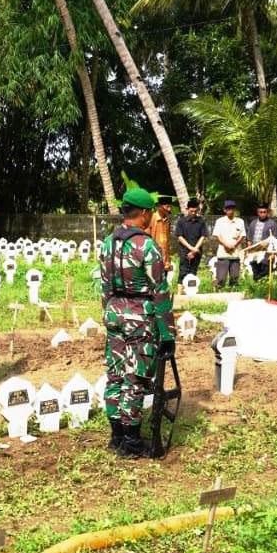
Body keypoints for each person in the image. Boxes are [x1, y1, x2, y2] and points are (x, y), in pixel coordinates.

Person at [100, 188, 174, 459]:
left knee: (115, 374)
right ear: (143, 213)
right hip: (138, 317)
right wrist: (167, 332)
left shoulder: (108, 242)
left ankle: (116, 434)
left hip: (114, 313)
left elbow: (105, 286)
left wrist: (109, 313)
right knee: (135, 376)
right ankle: (131, 441)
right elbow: (160, 292)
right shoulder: (147, 246)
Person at [212, 200, 246, 288]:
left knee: (234, 279)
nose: (230, 210)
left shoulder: (240, 221)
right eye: (228, 209)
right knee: (221, 279)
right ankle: (218, 296)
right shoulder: (219, 221)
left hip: (235, 254)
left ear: (234, 210)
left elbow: (242, 236)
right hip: (223, 253)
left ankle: (233, 295)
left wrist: (234, 246)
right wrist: (226, 245)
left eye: (232, 208)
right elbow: (217, 236)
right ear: (224, 210)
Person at [174, 198, 207, 284]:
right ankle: (180, 294)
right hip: (184, 251)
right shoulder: (181, 221)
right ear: (187, 209)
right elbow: (180, 237)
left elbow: (203, 236)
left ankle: (190, 293)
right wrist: (191, 248)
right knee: (183, 272)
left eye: (195, 211)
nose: (193, 213)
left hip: (197, 251)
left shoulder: (201, 221)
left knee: (193, 272)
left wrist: (195, 249)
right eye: (191, 211)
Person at [248, 203, 277, 280]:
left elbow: (275, 240)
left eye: (264, 212)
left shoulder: (272, 224)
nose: (262, 214)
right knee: (255, 272)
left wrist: (273, 254)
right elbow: (249, 239)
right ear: (257, 212)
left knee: (265, 271)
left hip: (266, 253)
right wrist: (248, 250)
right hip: (254, 253)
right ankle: (257, 288)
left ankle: (264, 288)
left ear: (267, 212)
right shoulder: (253, 223)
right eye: (260, 212)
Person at [149, 193, 175, 258]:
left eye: (170, 207)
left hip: (165, 258)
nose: (169, 209)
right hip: (154, 257)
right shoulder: (151, 219)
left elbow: (167, 241)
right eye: (167, 206)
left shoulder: (167, 220)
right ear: (159, 206)